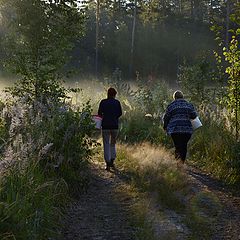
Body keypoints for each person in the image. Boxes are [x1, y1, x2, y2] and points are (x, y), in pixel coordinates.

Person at [163, 90, 197, 164]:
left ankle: (178, 164)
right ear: (182, 97)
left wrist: (165, 127)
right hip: (187, 130)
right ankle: (182, 163)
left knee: (177, 146)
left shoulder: (171, 106)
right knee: (184, 146)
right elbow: (194, 116)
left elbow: (166, 118)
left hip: (175, 130)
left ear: (174, 97)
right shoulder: (189, 105)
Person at [98, 87, 122, 171]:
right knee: (113, 143)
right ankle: (112, 160)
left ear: (107, 94)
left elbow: (99, 114)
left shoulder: (103, 102)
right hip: (114, 126)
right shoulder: (117, 102)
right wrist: (114, 118)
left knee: (106, 144)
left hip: (105, 126)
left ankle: (107, 163)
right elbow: (120, 113)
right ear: (115, 94)